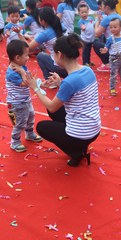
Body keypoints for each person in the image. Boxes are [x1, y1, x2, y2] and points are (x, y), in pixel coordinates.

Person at [25, 33, 101, 167]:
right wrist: (60, 83)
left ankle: (77, 152)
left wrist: (35, 87)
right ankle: (79, 146)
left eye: (53, 54)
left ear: (60, 54)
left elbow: (51, 106)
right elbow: (78, 93)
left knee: (41, 126)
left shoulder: (70, 82)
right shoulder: (87, 70)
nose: (53, 57)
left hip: (81, 133)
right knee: (55, 113)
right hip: (94, 129)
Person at [6, 40, 43, 152]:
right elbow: (25, 83)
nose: (28, 57)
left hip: (25, 100)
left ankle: (29, 134)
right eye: (26, 55)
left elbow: (29, 80)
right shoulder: (13, 72)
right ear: (17, 58)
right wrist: (22, 72)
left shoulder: (22, 66)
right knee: (20, 123)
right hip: (16, 104)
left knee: (31, 117)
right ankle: (15, 142)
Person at [28, 7, 66, 85]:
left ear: (43, 21)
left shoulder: (45, 34)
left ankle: (49, 81)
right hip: (71, 67)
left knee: (40, 56)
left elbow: (28, 47)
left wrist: (20, 35)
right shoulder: (61, 26)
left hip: (59, 67)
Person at [100, 18, 121, 96]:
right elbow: (107, 46)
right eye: (111, 27)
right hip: (114, 59)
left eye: (115, 27)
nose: (112, 29)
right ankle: (112, 88)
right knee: (113, 75)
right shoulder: (110, 38)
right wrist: (105, 50)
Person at [93, 0, 121, 72]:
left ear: (107, 7)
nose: (101, 9)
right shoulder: (119, 16)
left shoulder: (107, 18)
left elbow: (97, 34)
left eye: (102, 7)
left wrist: (97, 20)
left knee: (96, 44)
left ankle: (108, 64)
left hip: (114, 49)